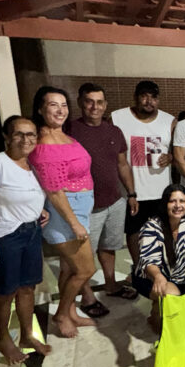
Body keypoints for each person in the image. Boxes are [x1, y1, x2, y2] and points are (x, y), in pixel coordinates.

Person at [0, 116, 52, 362]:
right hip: (6, 236)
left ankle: (27, 335)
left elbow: (23, 195)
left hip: (32, 232)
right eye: (19, 134)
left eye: (31, 134)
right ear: (7, 137)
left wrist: (39, 210)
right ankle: (2, 338)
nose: (26, 139)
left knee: (28, 288)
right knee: (7, 291)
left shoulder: (31, 165)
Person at [28, 87, 96, 339]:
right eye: (53, 105)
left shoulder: (65, 136)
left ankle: (71, 312)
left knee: (69, 268)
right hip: (65, 215)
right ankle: (60, 314)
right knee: (86, 270)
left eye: (64, 105)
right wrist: (74, 223)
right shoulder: (45, 145)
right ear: (40, 109)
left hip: (79, 209)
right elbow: (54, 191)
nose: (60, 110)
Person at [67, 83, 138, 315]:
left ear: (105, 105)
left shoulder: (114, 131)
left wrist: (131, 193)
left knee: (109, 246)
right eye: (89, 102)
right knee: (84, 255)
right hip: (86, 206)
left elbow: (122, 164)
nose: (94, 107)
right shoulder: (70, 130)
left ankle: (111, 284)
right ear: (80, 103)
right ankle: (87, 297)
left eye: (99, 102)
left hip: (114, 201)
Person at [111, 80, 175, 267]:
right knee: (134, 231)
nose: (149, 101)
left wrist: (170, 156)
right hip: (133, 192)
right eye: (144, 96)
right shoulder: (118, 118)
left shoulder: (169, 121)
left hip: (161, 189)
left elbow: (178, 151)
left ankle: (172, 267)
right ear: (135, 97)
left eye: (153, 97)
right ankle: (139, 269)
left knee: (167, 230)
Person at [135, 184, 185, 332]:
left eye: (182, 201)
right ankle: (156, 314)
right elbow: (149, 262)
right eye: (172, 201)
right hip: (152, 278)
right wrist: (158, 276)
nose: (178, 205)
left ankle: (163, 308)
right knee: (172, 298)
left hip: (182, 277)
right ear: (165, 204)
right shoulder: (151, 227)